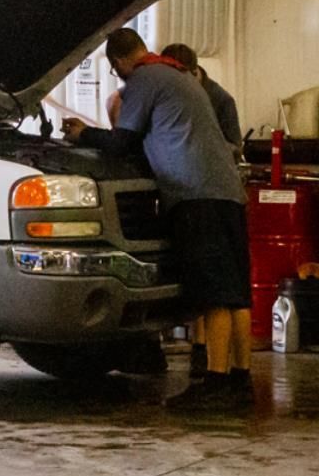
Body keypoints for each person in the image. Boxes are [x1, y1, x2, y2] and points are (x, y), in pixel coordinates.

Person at [62, 28, 253, 411]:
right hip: (228, 193)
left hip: (195, 194)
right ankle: (239, 380)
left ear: (117, 63)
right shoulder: (179, 75)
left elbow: (123, 141)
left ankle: (215, 383)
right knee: (235, 294)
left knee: (214, 293)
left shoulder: (144, 79)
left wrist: (83, 134)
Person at [160, 43, 244, 378]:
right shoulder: (180, 93)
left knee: (218, 289)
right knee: (215, 287)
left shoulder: (220, 99)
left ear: (190, 71)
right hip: (216, 193)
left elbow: (235, 144)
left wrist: (203, 152)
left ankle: (218, 372)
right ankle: (222, 364)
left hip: (209, 192)